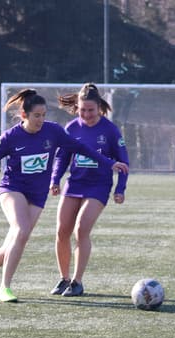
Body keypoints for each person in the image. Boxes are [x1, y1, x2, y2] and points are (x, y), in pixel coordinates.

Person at [0, 88, 129, 302]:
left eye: (43, 115)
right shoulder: (10, 138)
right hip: (13, 189)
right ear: (24, 115)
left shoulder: (53, 131)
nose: (41, 120)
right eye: (36, 115)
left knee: (14, 242)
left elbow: (81, 148)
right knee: (20, 230)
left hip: (38, 195)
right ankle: (4, 287)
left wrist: (110, 163)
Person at [48, 83, 130, 297]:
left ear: (100, 107)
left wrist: (120, 188)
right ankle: (64, 279)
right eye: (82, 109)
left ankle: (77, 282)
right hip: (74, 184)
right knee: (61, 231)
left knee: (81, 230)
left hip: (98, 186)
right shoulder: (71, 128)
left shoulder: (110, 131)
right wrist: (55, 179)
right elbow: (62, 156)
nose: (86, 114)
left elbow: (124, 162)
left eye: (90, 110)